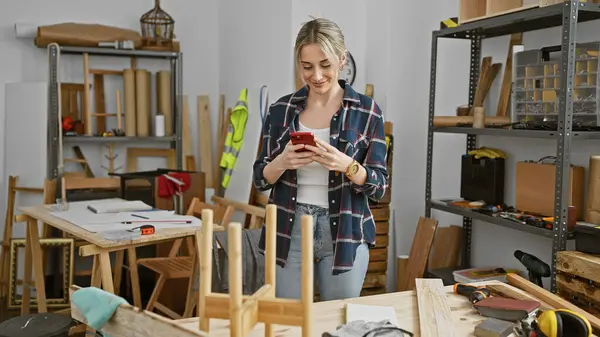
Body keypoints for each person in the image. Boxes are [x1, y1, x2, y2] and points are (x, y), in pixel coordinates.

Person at [253, 17, 388, 301]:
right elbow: (259, 179)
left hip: (345, 230)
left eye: (325, 65)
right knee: (289, 322)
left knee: (338, 322)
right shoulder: (281, 109)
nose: (316, 75)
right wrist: (282, 162)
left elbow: (379, 186)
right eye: (307, 66)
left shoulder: (367, 111)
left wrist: (347, 166)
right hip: (289, 227)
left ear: (342, 60)